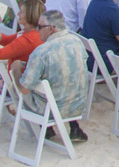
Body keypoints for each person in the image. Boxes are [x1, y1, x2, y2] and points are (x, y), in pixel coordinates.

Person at [18, 10, 95, 142]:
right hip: (78, 106)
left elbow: (25, 88)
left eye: (40, 27)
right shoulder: (77, 42)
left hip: (52, 110)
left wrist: (15, 71)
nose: (37, 30)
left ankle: (46, 126)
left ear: (51, 29)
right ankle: (74, 126)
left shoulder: (41, 52)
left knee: (24, 82)